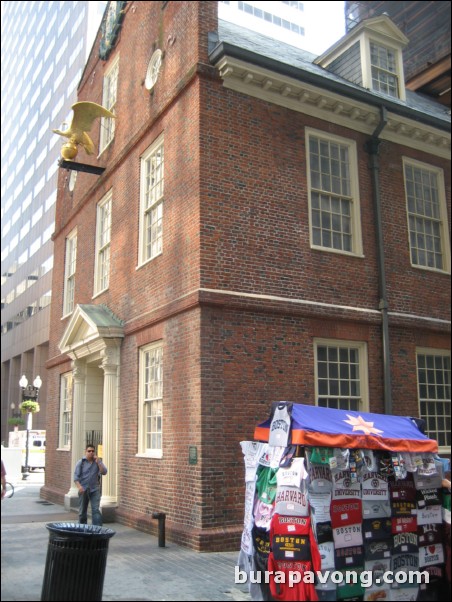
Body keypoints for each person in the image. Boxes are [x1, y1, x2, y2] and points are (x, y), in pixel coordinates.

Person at [73, 444, 107, 525]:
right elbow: (76, 477)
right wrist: (79, 487)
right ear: (86, 452)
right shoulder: (81, 462)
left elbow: (104, 472)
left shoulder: (97, 462)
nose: (91, 453)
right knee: (82, 511)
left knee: (95, 510)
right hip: (83, 489)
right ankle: (82, 529)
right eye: (89, 451)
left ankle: (97, 529)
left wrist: (98, 462)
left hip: (94, 489)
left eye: (92, 451)